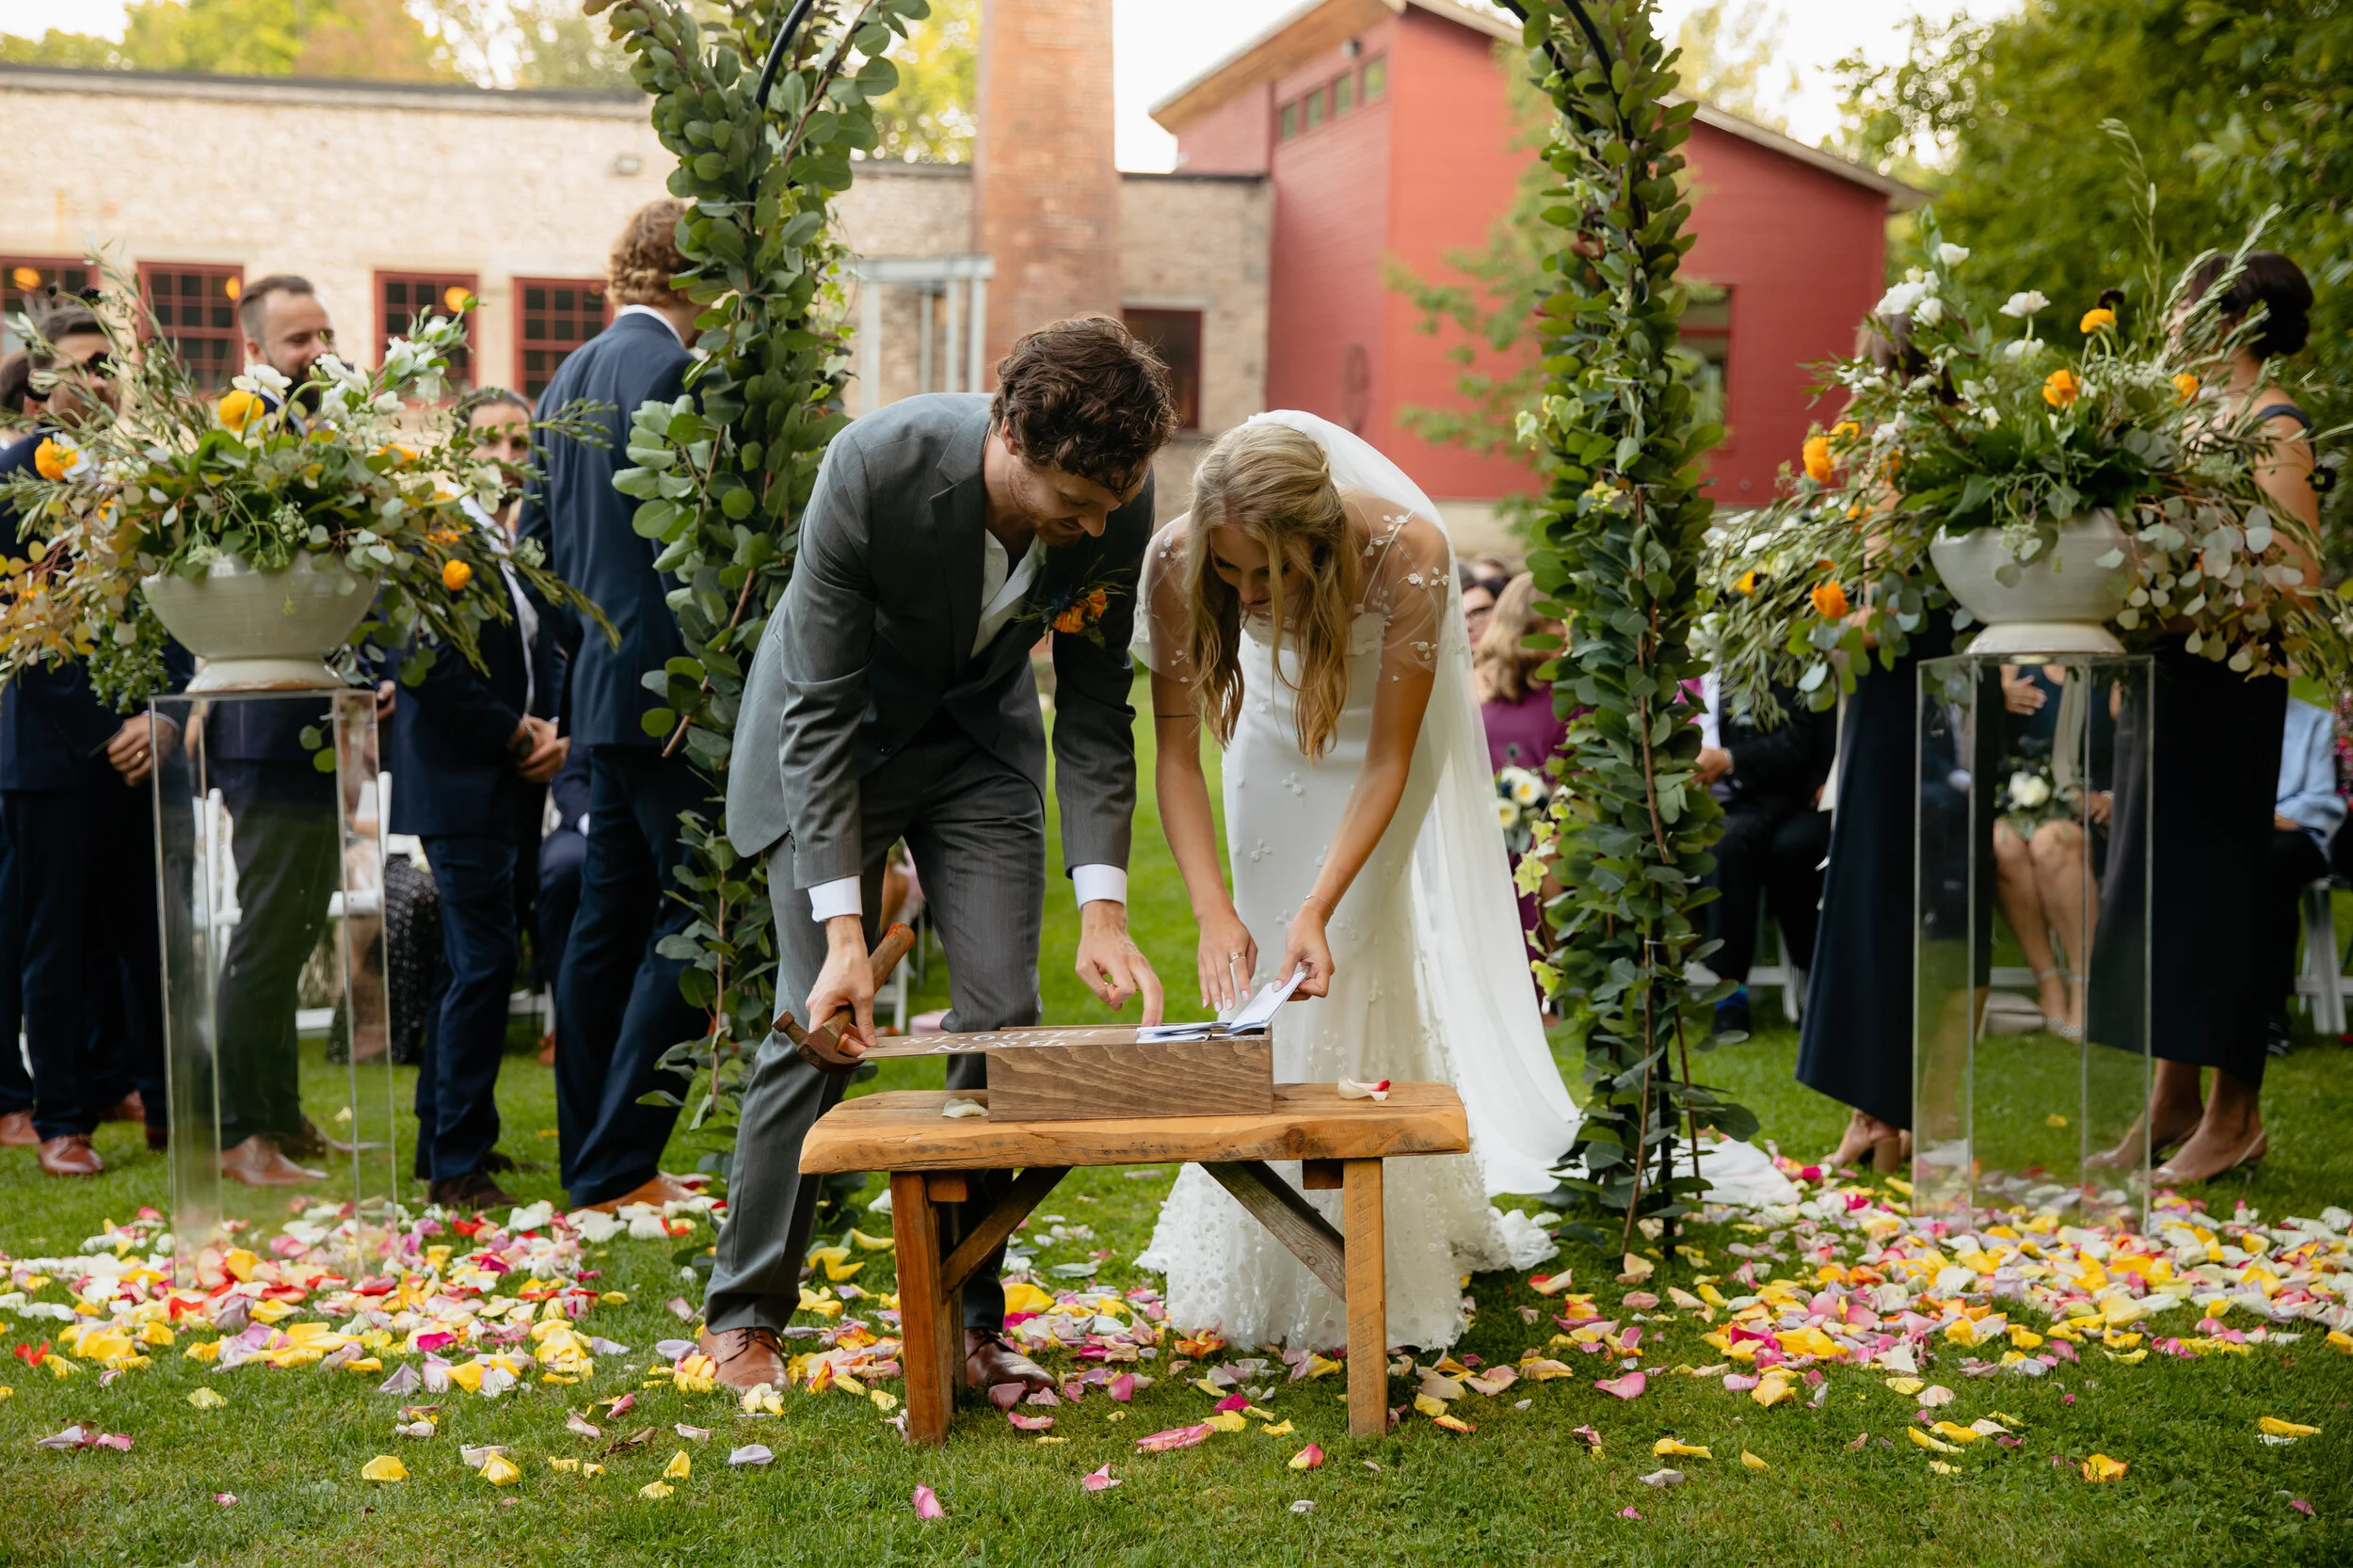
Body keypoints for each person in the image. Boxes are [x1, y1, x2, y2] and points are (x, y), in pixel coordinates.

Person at [1136, 414, 1789, 1352]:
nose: (1247, 596)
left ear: (1317, 541)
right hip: (1267, 747)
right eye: (1230, 573)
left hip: (1375, 761)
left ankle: (1368, 1237)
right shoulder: (1176, 557)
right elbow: (1173, 756)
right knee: (1263, 963)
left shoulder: (1409, 553)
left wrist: (1320, 904)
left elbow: (1387, 759)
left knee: (1347, 952)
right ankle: (1257, 1223)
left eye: (1269, 573)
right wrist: (1211, 908)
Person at [701, 316, 1177, 1393]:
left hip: (977, 748)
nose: (1098, 525)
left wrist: (1103, 909)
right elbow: (818, 714)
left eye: (1111, 504)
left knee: (1002, 1017)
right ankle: (746, 1310)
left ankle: (968, 1317)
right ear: (1009, 434)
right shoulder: (873, 466)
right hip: (836, 743)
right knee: (816, 1027)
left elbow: (1096, 708)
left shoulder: (1117, 494)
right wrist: (846, 934)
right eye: (1075, 503)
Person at [2090, 250, 2321, 1184]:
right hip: (2169, 682)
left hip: (2232, 690)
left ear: (2231, 323)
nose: (2171, 323)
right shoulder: (2187, 422)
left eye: (2186, 308)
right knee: (2162, 896)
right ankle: (2170, 1100)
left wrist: (2182, 605)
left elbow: (2297, 582)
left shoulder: (2274, 426)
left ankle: (2235, 1118)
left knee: (2218, 899)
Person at [518, 200, 709, 1213]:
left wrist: (587, 644)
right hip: (667, 696)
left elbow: (533, 545)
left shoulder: (566, 376)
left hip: (598, 689)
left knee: (607, 923)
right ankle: (620, 1161)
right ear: (700, 272)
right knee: (696, 917)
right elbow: (690, 545)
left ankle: (595, 1168)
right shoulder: (673, 372)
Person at [0, 289, 184, 1174]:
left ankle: (162, 1104)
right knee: (58, 944)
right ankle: (62, 1120)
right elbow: (16, 626)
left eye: (112, 367)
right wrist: (103, 728)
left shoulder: (143, 475)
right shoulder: (12, 479)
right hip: (51, 750)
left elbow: (173, 603)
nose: (104, 384)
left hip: (146, 747)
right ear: (41, 385)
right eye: (85, 369)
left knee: (150, 939)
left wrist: (161, 714)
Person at [386, 391, 568, 1210]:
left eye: (519, 442)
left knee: (475, 963)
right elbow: (422, 660)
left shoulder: (511, 544)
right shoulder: (434, 535)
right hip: (461, 783)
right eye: (490, 441)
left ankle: (449, 1141)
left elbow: (541, 653)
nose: (506, 456)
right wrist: (514, 734)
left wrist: (553, 729)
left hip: (512, 782)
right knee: (485, 961)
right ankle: (457, 1165)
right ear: (460, 451)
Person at [1795, 315, 1959, 1174]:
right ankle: (1886, 1111)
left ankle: (1876, 1113)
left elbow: (1885, 604)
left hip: (1890, 695)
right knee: (1893, 902)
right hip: (1920, 698)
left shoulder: (1896, 454)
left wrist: (1814, 624)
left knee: (1869, 901)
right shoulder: (1955, 448)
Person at [206, 275, 355, 1186]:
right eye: (300, 340)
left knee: (303, 925)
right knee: (266, 935)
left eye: (326, 334)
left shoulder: (326, 434)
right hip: (262, 727)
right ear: (256, 352)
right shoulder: (240, 443)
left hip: (322, 722)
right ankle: (239, 1133)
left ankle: (281, 1113)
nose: (319, 352)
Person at [1697, 677, 1835, 1037]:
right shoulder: (1699, 674)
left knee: (1793, 851)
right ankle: (1730, 992)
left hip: (1795, 796)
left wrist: (1729, 760)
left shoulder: (1784, 667)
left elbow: (1800, 739)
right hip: (1735, 804)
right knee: (1726, 845)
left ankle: (1817, 981)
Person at [1475, 573, 1568, 972]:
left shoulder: (1572, 693)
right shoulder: (1479, 684)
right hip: (1484, 834)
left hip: (1555, 836)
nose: (1566, 630)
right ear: (1527, 624)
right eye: (1557, 620)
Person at [2265, 696, 2341, 1055]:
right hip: (2235, 830)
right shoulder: (2215, 716)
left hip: (2297, 833)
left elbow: (2320, 795)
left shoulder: (2314, 721)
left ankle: (2270, 1014)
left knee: (2273, 863)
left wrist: (2267, 817)